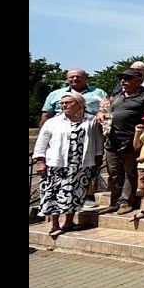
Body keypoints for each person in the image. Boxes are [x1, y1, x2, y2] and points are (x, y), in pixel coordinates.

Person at [34, 91, 104, 237]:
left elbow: (98, 141)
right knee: (53, 194)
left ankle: (69, 222)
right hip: (56, 164)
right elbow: (41, 143)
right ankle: (54, 224)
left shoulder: (90, 121)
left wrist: (97, 159)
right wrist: (40, 161)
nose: (64, 105)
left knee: (75, 193)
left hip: (81, 165)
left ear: (79, 104)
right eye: (62, 103)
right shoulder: (53, 122)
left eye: (68, 102)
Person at [97, 69, 144, 214]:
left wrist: (141, 138)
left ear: (139, 80)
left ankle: (126, 201)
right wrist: (101, 114)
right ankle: (114, 201)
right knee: (114, 173)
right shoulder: (119, 96)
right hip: (112, 140)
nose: (123, 81)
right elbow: (107, 111)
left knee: (129, 173)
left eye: (128, 78)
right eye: (122, 78)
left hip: (131, 140)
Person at [39, 69, 107, 126]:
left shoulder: (99, 93)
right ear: (67, 79)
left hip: (91, 128)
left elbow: (108, 111)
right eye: (71, 77)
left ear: (86, 78)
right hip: (61, 129)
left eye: (78, 77)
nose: (75, 79)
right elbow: (46, 116)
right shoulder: (55, 94)